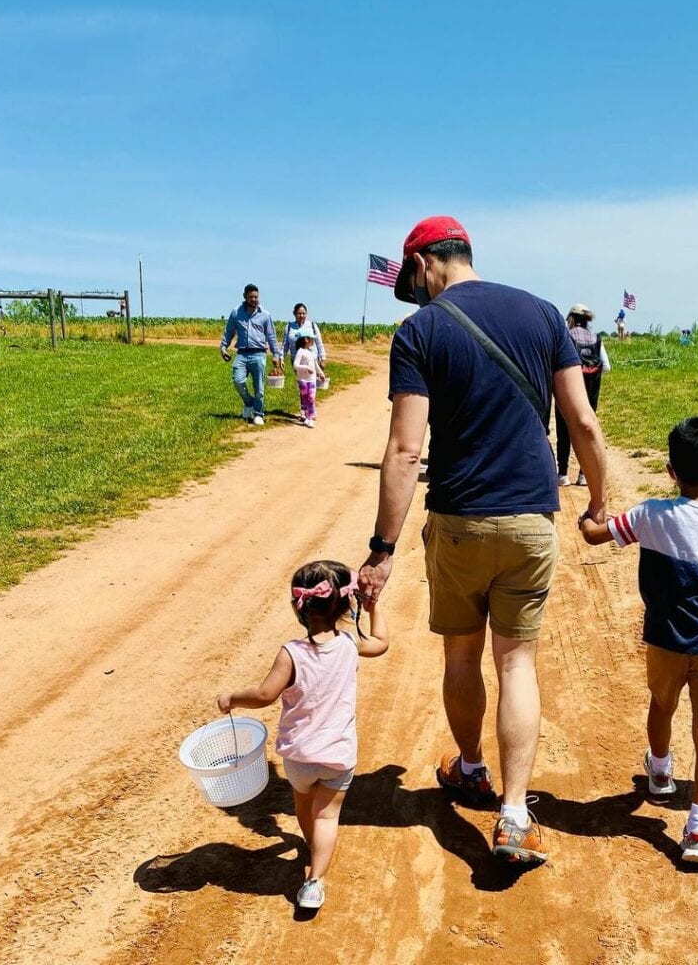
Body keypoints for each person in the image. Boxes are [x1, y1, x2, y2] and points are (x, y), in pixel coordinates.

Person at [358, 215, 607, 864]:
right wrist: (600, 503)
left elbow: (406, 449)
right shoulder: (543, 314)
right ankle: (516, 813)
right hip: (530, 516)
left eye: (410, 282)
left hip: (462, 519)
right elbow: (581, 419)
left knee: (464, 659)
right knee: (517, 663)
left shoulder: (420, 330)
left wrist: (381, 551)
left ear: (422, 265)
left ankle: (470, 768)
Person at [579, 417, 698, 864]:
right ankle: (697, 831)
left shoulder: (649, 515)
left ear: (670, 470)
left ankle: (661, 773)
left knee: (661, 706)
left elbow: (595, 536)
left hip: (664, 640)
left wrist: (588, 515)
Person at [216, 560, 388, 909]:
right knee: (328, 816)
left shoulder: (291, 653)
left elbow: (265, 695)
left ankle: (311, 846)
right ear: (345, 603)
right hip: (338, 754)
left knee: (305, 808)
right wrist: (374, 607)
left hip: (299, 756)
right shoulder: (351, 645)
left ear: (299, 607)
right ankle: (314, 882)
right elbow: (382, 642)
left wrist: (232, 697)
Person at [556, 303, 610, 487]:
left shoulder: (566, 337)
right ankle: (583, 475)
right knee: (586, 431)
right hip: (590, 395)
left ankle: (563, 474)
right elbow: (607, 367)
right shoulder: (596, 338)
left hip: (567, 393)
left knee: (564, 432)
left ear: (571, 318)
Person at [220, 284, 282, 426]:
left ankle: (258, 414)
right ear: (245, 296)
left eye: (256, 297)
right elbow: (229, 332)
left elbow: (271, 336)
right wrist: (223, 347)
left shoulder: (265, 315)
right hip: (241, 354)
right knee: (238, 381)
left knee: (259, 387)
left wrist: (276, 355)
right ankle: (249, 403)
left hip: (259, 354)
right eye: (251, 297)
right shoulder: (236, 312)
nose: (254, 300)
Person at [293, 331, 326, 428]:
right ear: (306, 339)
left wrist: (320, 373)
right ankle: (307, 416)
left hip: (312, 380)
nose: (314, 340)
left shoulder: (312, 352)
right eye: (312, 338)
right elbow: (295, 365)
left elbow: (315, 365)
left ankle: (310, 417)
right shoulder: (300, 352)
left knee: (311, 398)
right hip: (302, 380)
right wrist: (306, 368)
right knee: (305, 398)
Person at [281, 302, 327, 368]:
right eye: (299, 313)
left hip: (312, 361)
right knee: (300, 378)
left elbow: (319, 343)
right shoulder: (289, 327)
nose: (302, 316)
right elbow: (285, 345)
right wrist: (281, 357)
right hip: (296, 361)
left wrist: (322, 358)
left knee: (311, 378)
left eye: (304, 313)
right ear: (294, 314)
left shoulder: (312, 326)